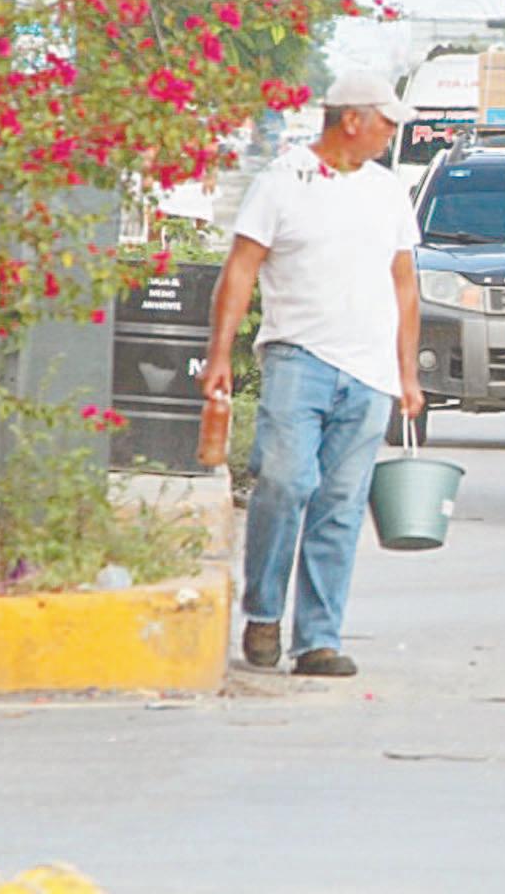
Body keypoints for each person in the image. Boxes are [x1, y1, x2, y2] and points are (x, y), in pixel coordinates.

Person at [199, 74, 424, 677]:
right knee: (285, 482)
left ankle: (318, 639)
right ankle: (264, 611)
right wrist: (219, 354)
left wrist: (407, 373)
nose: (392, 133)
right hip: (298, 357)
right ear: (352, 120)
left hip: (369, 372)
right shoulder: (283, 182)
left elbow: (404, 284)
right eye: (386, 121)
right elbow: (241, 269)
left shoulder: (387, 192)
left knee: (341, 504)